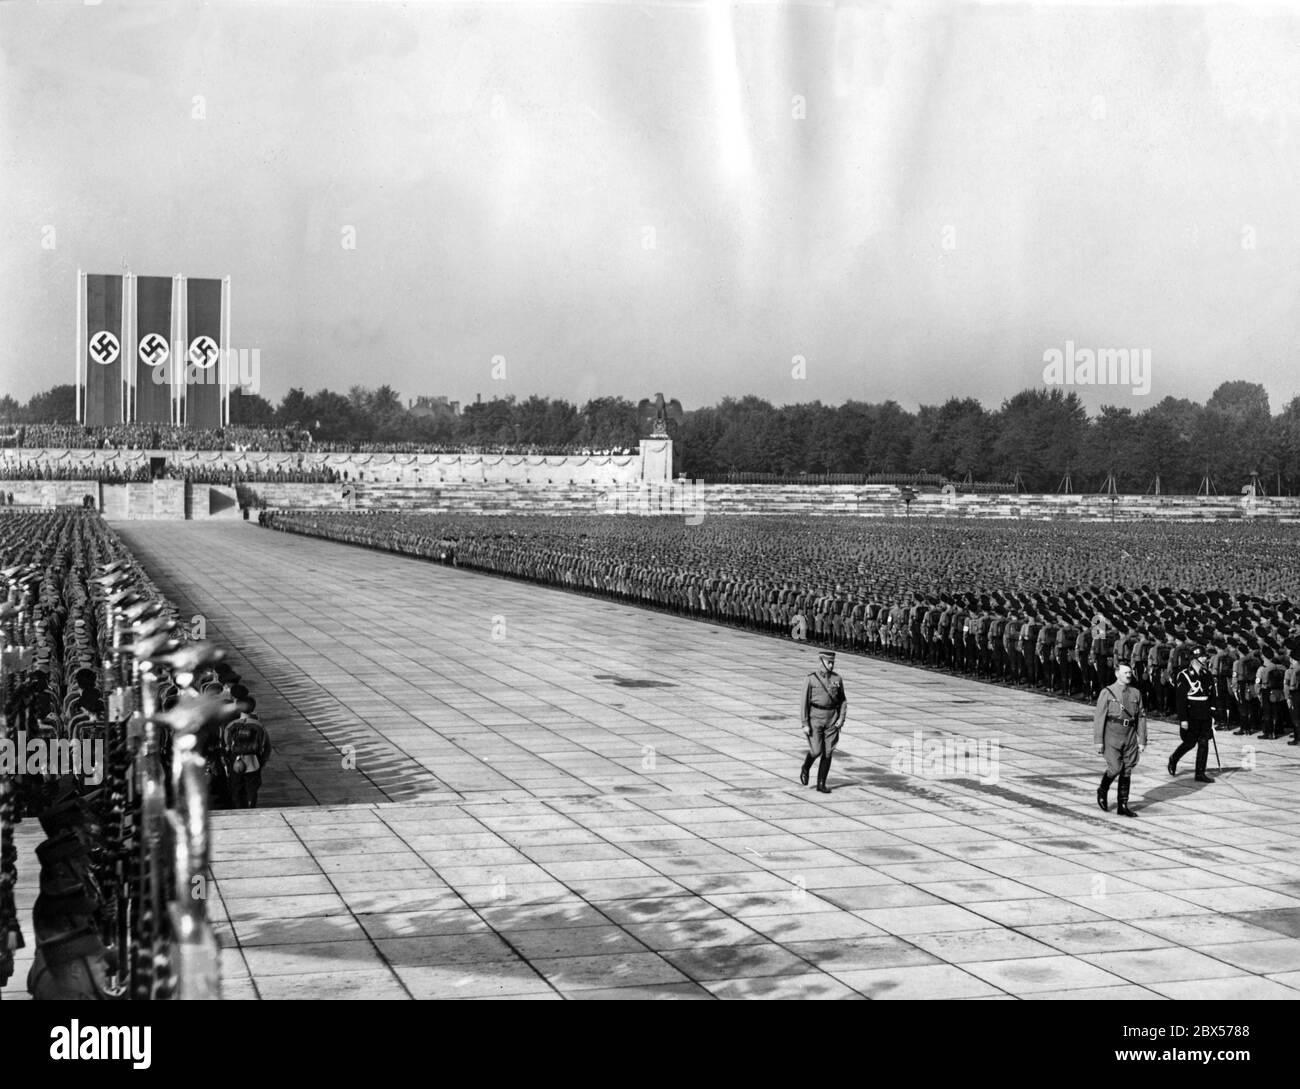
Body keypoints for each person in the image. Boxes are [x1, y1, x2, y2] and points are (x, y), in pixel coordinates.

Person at [1093, 662, 1146, 817]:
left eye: (1130, 673)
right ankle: (1103, 790)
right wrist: (1098, 740)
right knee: (1115, 768)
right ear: (1117, 674)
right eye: (1125, 673)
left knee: (1127, 769)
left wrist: (1142, 739)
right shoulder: (1107, 692)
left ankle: (1123, 804)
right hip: (1112, 734)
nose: (1128, 675)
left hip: (1129, 734)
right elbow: (1099, 717)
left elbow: (1141, 717)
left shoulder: (1136, 693)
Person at [799, 650, 847, 794]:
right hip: (815, 718)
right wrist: (805, 723)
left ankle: (821, 783)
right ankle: (806, 767)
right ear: (821, 661)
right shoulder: (811, 679)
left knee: (828, 752)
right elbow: (804, 703)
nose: (831, 665)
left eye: (833, 662)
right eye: (828, 662)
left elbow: (843, 700)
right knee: (816, 750)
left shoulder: (837, 679)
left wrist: (841, 718)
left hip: (831, 718)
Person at [1168, 648, 1217, 783]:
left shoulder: (1207, 674)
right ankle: (1174, 758)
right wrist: (1183, 719)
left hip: (1205, 712)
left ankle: (1200, 773)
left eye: (1204, 657)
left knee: (1204, 743)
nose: (1204, 659)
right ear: (1194, 659)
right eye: (1201, 657)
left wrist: (1213, 712)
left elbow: (1212, 694)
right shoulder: (1184, 675)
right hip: (1191, 712)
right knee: (1190, 743)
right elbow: (1180, 699)